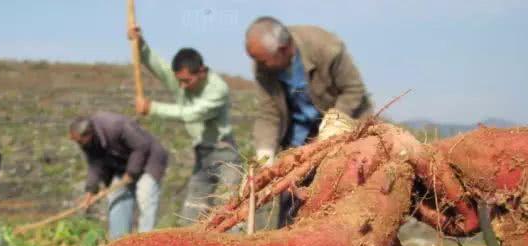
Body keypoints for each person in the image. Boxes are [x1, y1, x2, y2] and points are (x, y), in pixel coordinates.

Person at [245, 16, 372, 227]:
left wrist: (335, 122)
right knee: (290, 192)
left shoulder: (326, 48)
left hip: (343, 125)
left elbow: (353, 90)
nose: (258, 66)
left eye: (262, 60)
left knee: (342, 192)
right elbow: (269, 113)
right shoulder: (263, 68)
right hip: (299, 135)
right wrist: (265, 152)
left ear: (284, 49)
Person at [128, 25, 241, 225]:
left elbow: (192, 114)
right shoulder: (182, 82)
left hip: (225, 154)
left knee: (232, 209)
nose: (181, 86)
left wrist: (152, 108)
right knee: (191, 214)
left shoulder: (218, 90)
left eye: (186, 81)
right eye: (179, 81)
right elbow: (158, 66)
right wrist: (140, 44)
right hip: (202, 155)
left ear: (202, 72)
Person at [69, 112, 168, 240]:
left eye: (80, 141)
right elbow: (94, 164)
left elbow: (142, 146)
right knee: (116, 196)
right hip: (124, 165)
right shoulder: (87, 142)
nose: (79, 144)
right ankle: (118, 243)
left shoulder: (115, 125)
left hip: (150, 160)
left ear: (88, 134)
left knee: (145, 196)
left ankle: (146, 243)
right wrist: (90, 191)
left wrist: (131, 172)